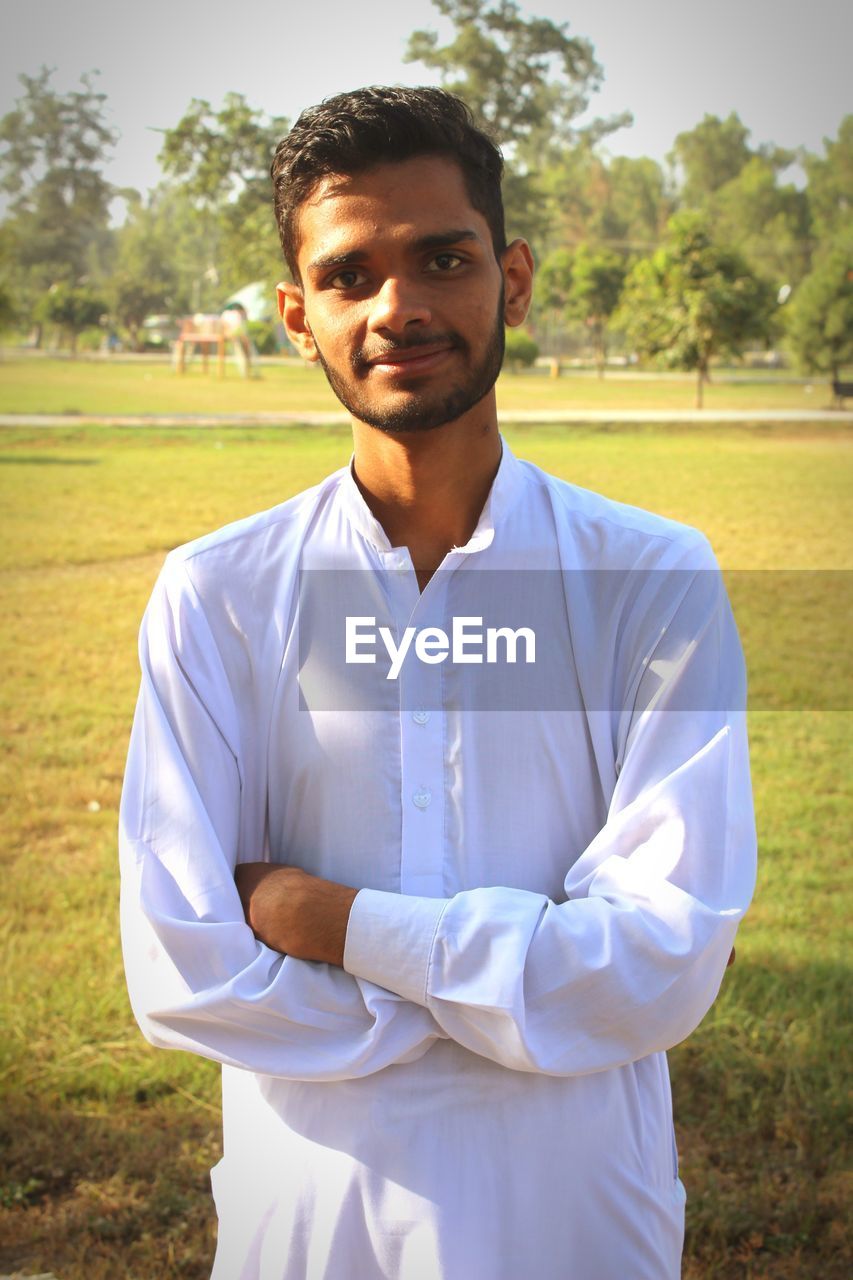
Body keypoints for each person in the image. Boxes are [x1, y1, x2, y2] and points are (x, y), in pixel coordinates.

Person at [119, 86, 756, 1280]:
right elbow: (184, 971)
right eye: (351, 275)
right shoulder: (217, 594)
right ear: (299, 317)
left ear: (510, 281)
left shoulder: (648, 578)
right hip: (309, 1225)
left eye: (442, 258)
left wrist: (335, 924)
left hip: (577, 1220)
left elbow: (662, 961)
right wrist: (531, 992)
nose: (398, 306)